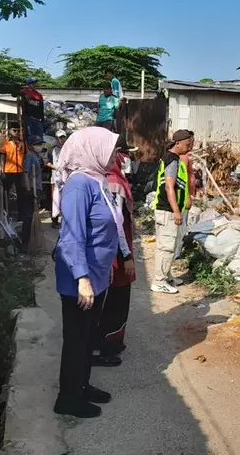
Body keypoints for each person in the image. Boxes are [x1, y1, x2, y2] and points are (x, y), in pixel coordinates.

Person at [53, 127, 121, 418]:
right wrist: (82, 279)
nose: (115, 155)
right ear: (93, 149)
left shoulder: (97, 182)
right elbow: (71, 237)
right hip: (79, 280)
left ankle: (82, 385)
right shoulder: (79, 185)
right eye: (112, 149)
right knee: (77, 339)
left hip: (96, 275)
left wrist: (104, 271)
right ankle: (68, 398)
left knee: (89, 338)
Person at [93, 146, 136, 368]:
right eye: (117, 155)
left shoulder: (104, 178)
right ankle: (107, 343)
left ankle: (106, 341)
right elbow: (116, 223)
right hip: (116, 250)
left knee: (110, 298)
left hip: (112, 249)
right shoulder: (113, 182)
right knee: (117, 298)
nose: (122, 159)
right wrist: (125, 255)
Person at [151, 130, 194, 294]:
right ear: (178, 143)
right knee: (166, 247)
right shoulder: (171, 160)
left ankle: (166, 276)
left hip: (169, 210)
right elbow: (169, 187)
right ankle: (159, 281)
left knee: (169, 245)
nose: (189, 147)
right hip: (167, 211)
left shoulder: (173, 159)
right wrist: (176, 211)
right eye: (187, 144)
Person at [47, 129, 68, 229]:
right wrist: (55, 167)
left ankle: (65, 220)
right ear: (56, 139)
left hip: (67, 178)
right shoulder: (52, 150)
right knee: (55, 199)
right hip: (55, 178)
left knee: (66, 199)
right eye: (60, 138)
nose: (62, 139)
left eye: (63, 137)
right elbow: (46, 162)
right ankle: (54, 220)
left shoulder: (69, 149)